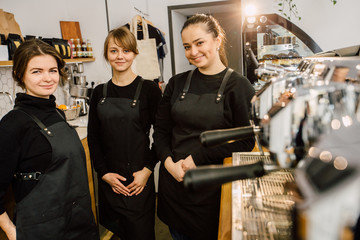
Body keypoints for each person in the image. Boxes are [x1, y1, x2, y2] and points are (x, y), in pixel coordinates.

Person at [153, 14, 256, 240]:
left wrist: (197, 158)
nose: (193, 52)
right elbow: (161, 131)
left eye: (200, 43)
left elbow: (246, 141)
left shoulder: (239, 86)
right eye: (187, 46)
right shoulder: (176, 83)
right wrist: (168, 163)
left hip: (210, 194)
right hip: (175, 188)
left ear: (217, 40)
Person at [0, 39, 99, 240]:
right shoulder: (13, 124)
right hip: (42, 232)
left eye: (52, 70)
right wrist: (12, 233)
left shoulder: (58, 113)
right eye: (36, 71)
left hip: (80, 225)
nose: (47, 78)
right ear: (20, 74)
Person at [87, 26, 162, 240]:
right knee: (118, 232)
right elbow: (94, 137)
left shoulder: (149, 89)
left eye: (126, 50)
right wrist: (104, 173)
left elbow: (162, 134)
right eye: (113, 51)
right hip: (110, 181)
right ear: (106, 54)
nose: (120, 56)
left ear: (134, 54)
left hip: (138, 180)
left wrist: (147, 170)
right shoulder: (98, 93)